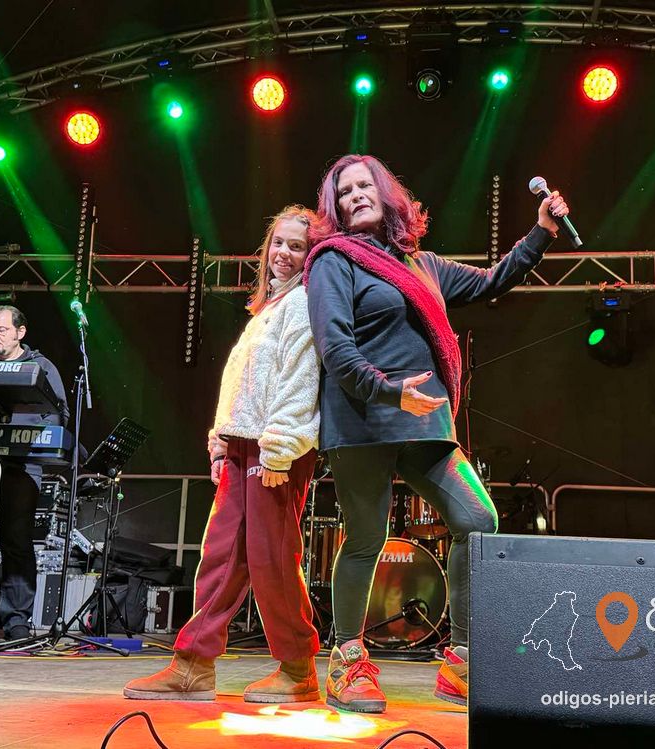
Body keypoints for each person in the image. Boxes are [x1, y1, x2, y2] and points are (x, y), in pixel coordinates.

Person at [304, 155, 569, 712]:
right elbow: (335, 348)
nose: (356, 195)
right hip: (362, 419)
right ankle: (347, 661)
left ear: (387, 194)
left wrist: (541, 232)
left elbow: (492, 280)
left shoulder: (421, 265)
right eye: (344, 191)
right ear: (335, 207)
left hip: (425, 422)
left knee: (478, 520)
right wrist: (388, 391)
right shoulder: (333, 260)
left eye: (365, 185)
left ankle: (462, 663)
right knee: (366, 539)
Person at [124, 206, 322, 703]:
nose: (284, 253)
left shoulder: (304, 302)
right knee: (220, 555)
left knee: (271, 558)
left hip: (274, 449)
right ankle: (193, 664)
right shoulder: (267, 309)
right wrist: (220, 443)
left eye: (297, 246)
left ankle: (298, 669)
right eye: (279, 243)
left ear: (311, 254)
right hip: (242, 445)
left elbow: (300, 381)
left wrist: (278, 451)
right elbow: (241, 386)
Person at [0, 305, 68, 641]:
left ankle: (17, 620)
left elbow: (58, 415)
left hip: (21, 466)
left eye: (1, 330)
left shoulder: (41, 367)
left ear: (20, 332)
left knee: (16, 541)